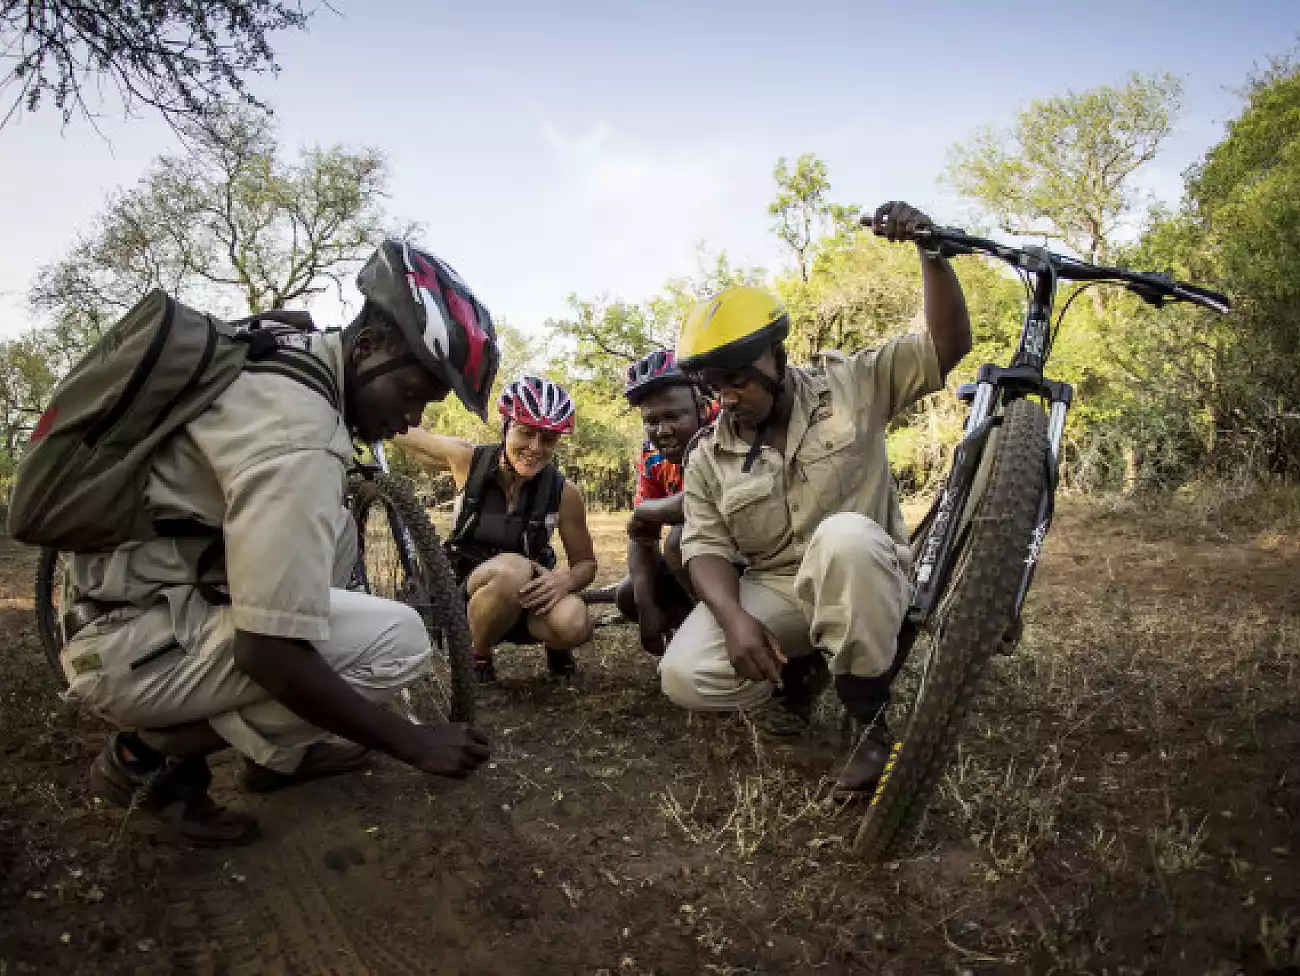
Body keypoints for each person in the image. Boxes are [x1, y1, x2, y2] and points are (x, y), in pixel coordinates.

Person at [59, 240, 499, 845]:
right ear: (366, 348)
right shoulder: (302, 441)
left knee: (337, 534)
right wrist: (414, 743)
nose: (410, 422)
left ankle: (277, 757)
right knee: (397, 640)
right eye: (411, 395)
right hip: (125, 643)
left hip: (142, 590)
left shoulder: (291, 349)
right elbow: (267, 653)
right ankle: (146, 760)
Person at [659, 201, 972, 799]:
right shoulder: (707, 455)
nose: (728, 395)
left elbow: (946, 345)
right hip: (780, 587)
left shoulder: (852, 383)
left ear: (777, 356)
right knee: (684, 675)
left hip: (865, 571)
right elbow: (703, 546)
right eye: (712, 384)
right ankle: (793, 677)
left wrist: (933, 256)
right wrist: (735, 621)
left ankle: (871, 728)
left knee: (845, 539)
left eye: (739, 378)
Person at [394, 375, 597, 683]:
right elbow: (403, 432)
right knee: (511, 570)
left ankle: (555, 647)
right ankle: (479, 652)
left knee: (574, 621)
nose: (535, 448)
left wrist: (564, 581)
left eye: (549, 439)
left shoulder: (565, 493)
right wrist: (360, 401)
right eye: (526, 433)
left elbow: (586, 564)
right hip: (467, 594)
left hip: (528, 599)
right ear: (506, 427)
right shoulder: (467, 460)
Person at [605, 349, 717, 657]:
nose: (662, 431)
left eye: (673, 416)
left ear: (702, 408)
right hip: (696, 565)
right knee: (631, 592)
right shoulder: (652, 455)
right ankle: (692, 633)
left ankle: (721, 633)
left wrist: (644, 511)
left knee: (679, 541)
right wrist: (646, 609)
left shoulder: (725, 434)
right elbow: (641, 534)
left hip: (747, 561)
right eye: (651, 421)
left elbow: (695, 503)